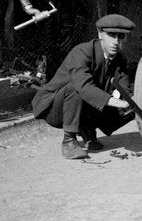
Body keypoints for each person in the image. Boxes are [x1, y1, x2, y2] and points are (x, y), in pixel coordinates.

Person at [31, 14, 136, 159]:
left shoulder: (119, 58)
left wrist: (132, 100)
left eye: (121, 36)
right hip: (54, 108)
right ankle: (69, 141)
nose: (116, 41)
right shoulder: (82, 52)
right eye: (111, 35)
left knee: (132, 106)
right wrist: (120, 102)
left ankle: (87, 130)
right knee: (77, 88)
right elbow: (84, 88)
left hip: (80, 104)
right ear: (100, 34)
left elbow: (125, 88)